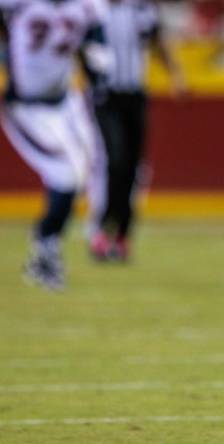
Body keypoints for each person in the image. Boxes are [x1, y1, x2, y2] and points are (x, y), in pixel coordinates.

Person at [0, 0, 112, 290]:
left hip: (65, 103)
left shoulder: (87, 6)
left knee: (83, 169)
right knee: (66, 174)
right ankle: (46, 249)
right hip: (25, 106)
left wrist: (96, 63)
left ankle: (49, 248)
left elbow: (96, 41)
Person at [89, 0, 185, 261]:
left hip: (134, 96)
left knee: (133, 167)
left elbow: (158, 41)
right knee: (114, 161)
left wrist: (175, 74)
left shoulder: (142, 9)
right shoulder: (92, 10)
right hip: (105, 97)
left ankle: (121, 234)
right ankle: (101, 228)